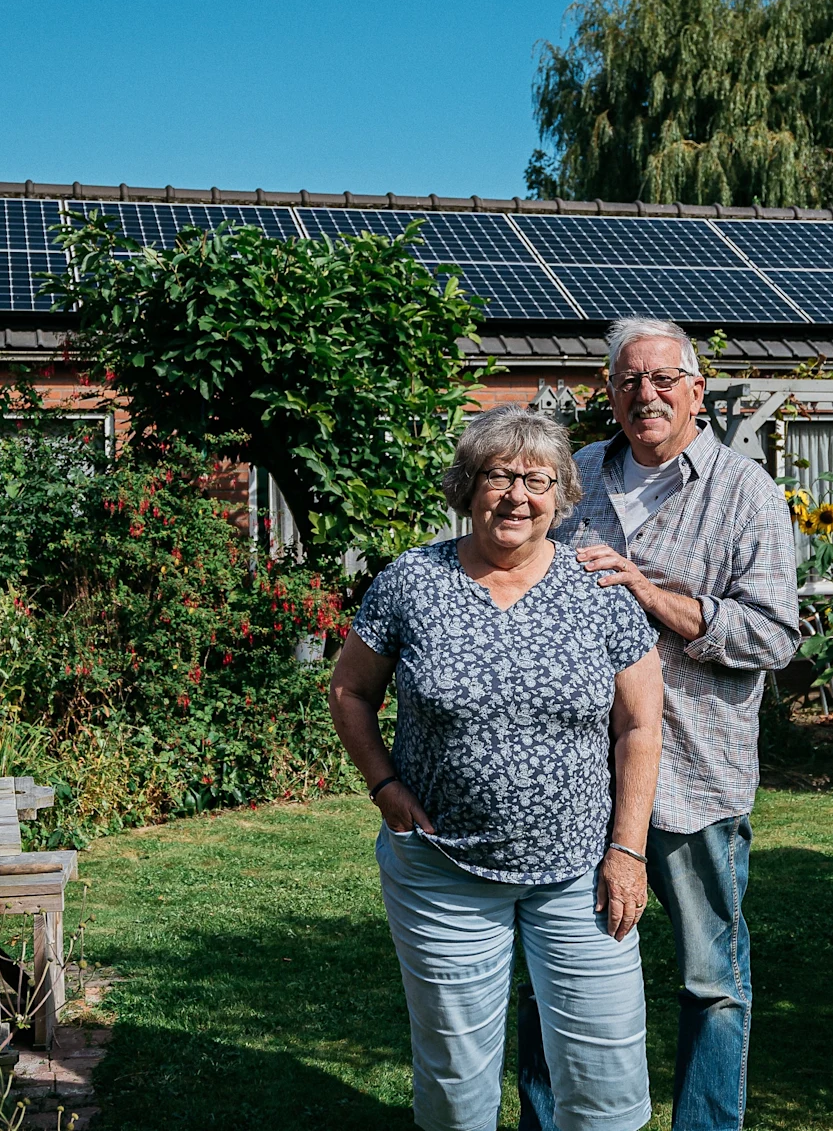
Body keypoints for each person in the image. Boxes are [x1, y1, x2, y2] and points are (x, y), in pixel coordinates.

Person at [329, 405, 665, 1131]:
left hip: (581, 873)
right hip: (443, 870)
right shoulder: (411, 581)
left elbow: (640, 723)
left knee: (605, 1075)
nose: (517, 494)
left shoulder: (597, 588)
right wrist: (385, 787)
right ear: (467, 487)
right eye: (498, 475)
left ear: (561, 493)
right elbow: (349, 688)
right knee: (455, 1083)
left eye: (537, 478)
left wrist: (628, 850)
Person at [522, 317, 801, 1131]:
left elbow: (775, 635)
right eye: (628, 380)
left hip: (693, 772)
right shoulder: (571, 480)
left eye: (662, 379)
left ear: (696, 392)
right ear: (608, 393)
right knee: (554, 975)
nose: (645, 393)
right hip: (576, 771)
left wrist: (650, 594)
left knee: (711, 978)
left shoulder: (747, 492)